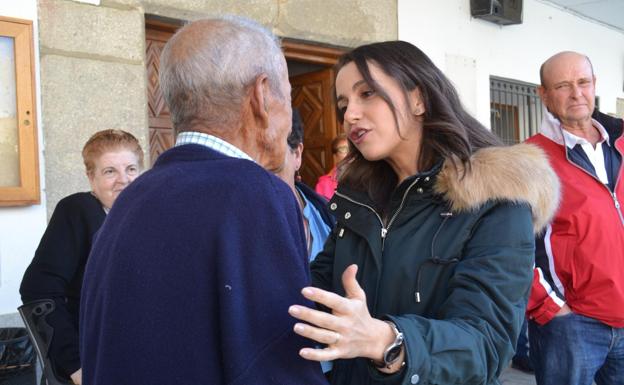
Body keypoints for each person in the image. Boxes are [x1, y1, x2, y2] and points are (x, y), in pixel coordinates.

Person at [287, 40, 560, 385]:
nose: (350, 115)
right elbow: (319, 288)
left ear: (419, 99)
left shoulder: (494, 200)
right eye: (343, 105)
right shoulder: (357, 198)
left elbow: (487, 343)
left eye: (367, 94)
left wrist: (388, 342)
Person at [79, 17, 328, 385]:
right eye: (288, 96)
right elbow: (276, 365)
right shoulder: (258, 194)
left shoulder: (130, 199)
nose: (289, 116)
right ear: (261, 95)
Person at [526, 51, 624, 385]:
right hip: (574, 324)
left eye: (583, 82)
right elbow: (512, 246)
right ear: (544, 94)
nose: (576, 93)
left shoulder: (622, 143)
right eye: (563, 85)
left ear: (594, 84)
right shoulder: (530, 160)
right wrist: (550, 309)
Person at [19, 129, 144, 385]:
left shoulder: (144, 217)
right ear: (91, 178)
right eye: (110, 171)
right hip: (91, 366)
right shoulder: (79, 211)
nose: (124, 180)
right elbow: (38, 290)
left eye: (131, 169)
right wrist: (76, 367)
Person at [277, 109, 335, 261]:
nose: (259, 175)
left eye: (273, 164)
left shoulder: (329, 218)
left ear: (297, 154)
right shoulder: (237, 229)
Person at [315, 135, 348, 200]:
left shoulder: (366, 179)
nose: (349, 153)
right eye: (343, 149)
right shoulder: (324, 185)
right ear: (335, 156)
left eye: (352, 149)